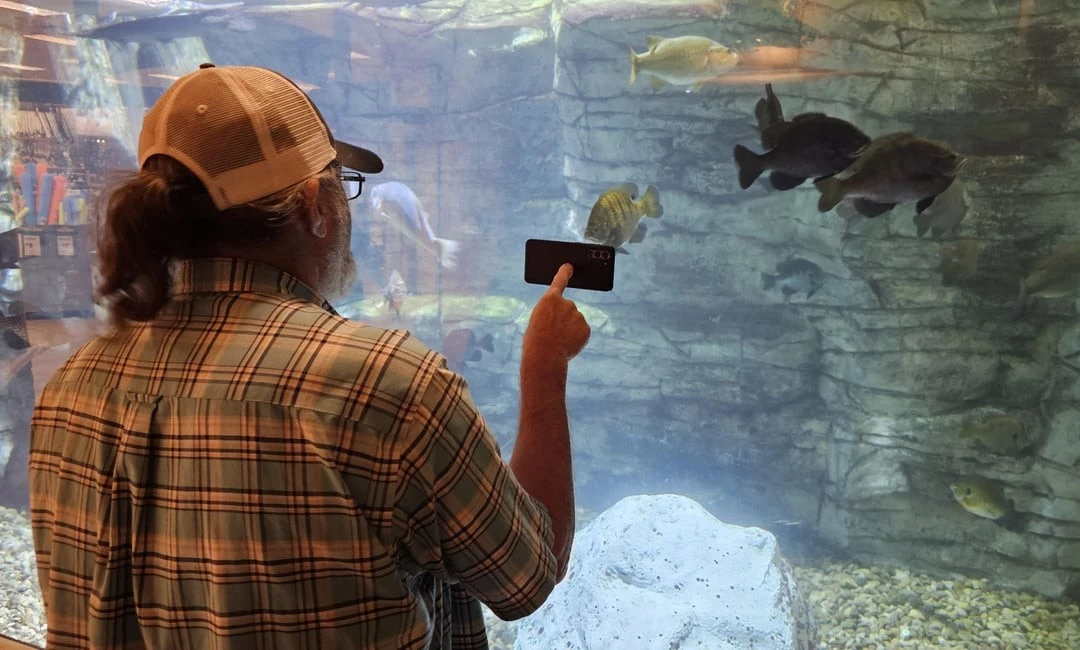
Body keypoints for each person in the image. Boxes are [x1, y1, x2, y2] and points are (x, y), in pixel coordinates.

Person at [28, 63, 590, 650]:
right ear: (312, 205)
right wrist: (544, 366)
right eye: (343, 183)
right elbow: (529, 574)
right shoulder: (389, 387)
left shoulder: (71, 387)